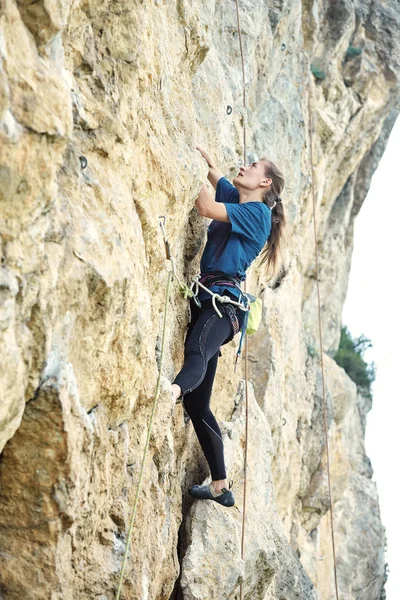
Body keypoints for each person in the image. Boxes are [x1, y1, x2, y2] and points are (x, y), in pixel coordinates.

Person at [170, 145, 286, 507]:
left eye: (252, 165)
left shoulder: (257, 214)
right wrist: (202, 159)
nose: (244, 165)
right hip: (212, 298)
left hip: (225, 305)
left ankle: (170, 392)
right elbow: (217, 178)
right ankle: (220, 486)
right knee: (199, 405)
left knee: (198, 351)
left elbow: (205, 207)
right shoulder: (239, 197)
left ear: (264, 181)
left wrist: (184, 165)